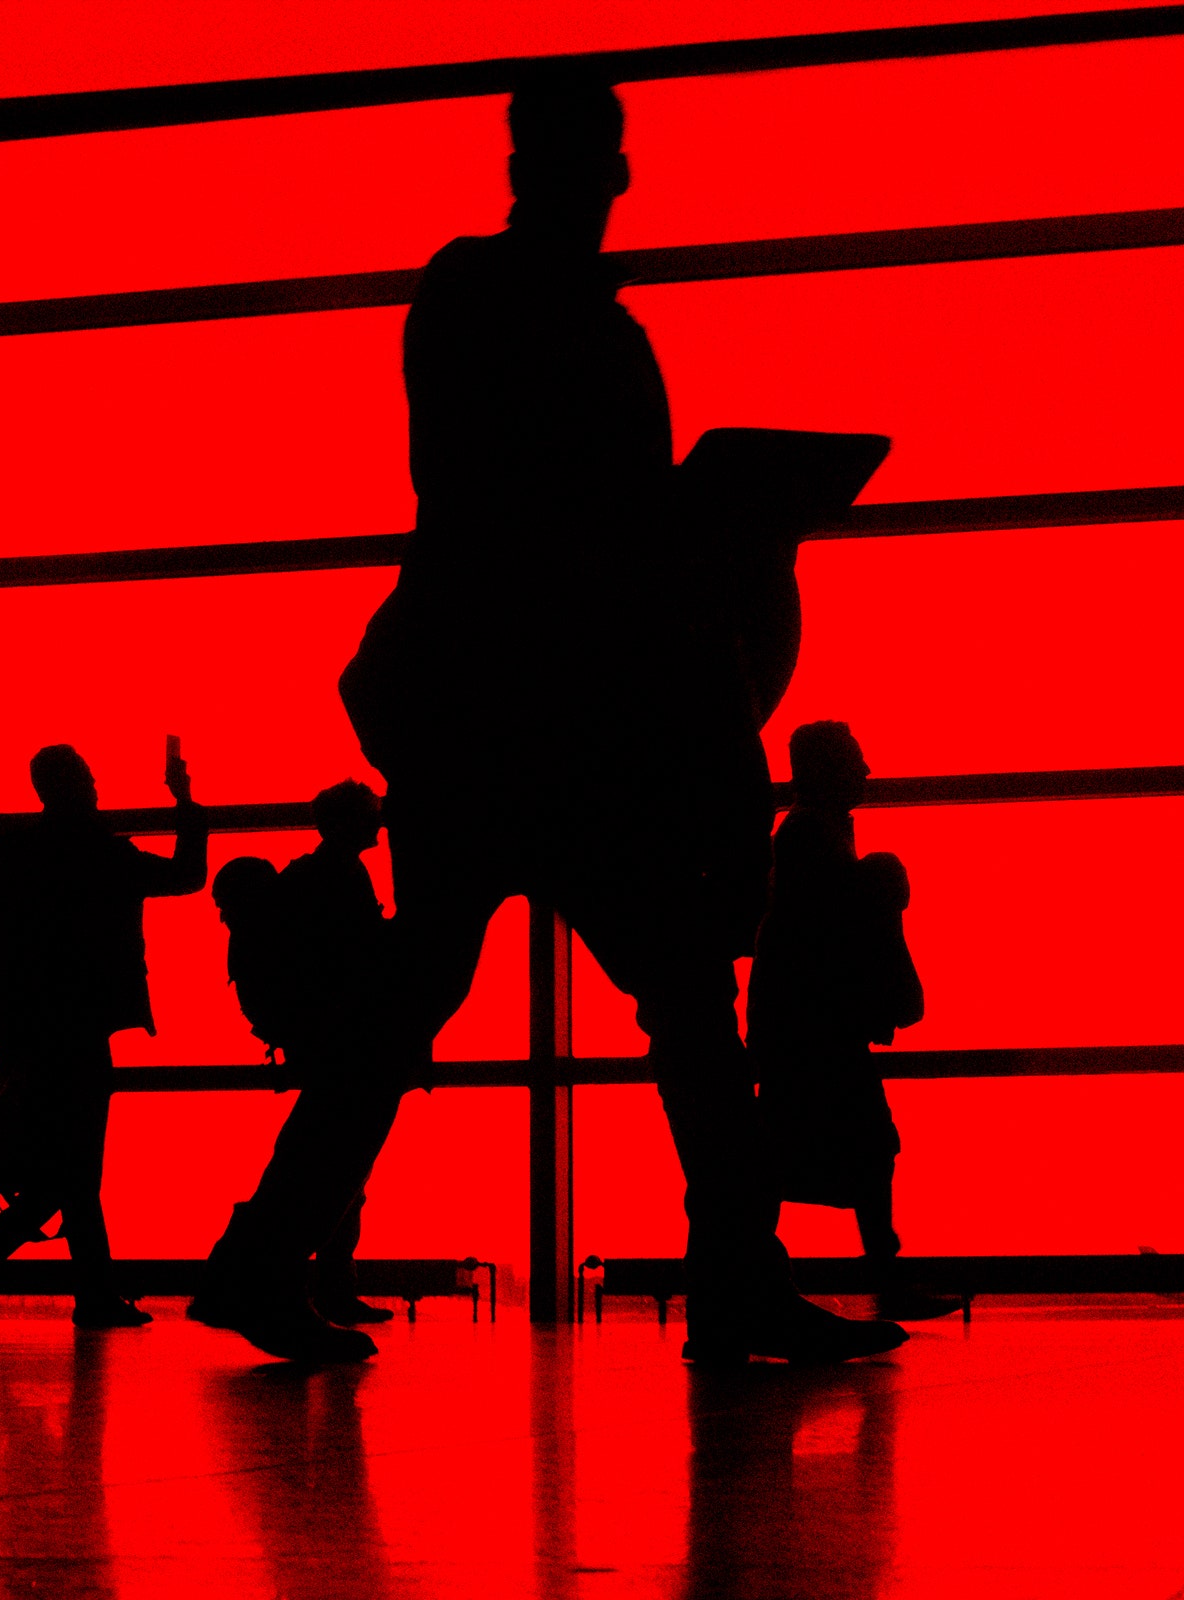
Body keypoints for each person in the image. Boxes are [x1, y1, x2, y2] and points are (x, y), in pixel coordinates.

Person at [337, 71, 901, 1362]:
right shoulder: (570, 320)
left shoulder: (474, 297)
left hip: (490, 701)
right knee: (686, 997)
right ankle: (739, 1278)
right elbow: (570, 514)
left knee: (431, 992)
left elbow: (489, 497)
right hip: (559, 712)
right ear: (602, 170)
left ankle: (266, 1248)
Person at [0, 742, 207, 1328]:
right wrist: (186, 804)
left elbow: (1, 950)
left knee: (66, 1173)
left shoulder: (9, 855)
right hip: (82, 1035)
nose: (96, 787)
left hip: (27, 1034)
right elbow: (187, 876)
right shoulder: (101, 855)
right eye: (89, 778)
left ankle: (55, 1283)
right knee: (75, 1170)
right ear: (77, 786)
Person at [196, 780, 408, 1362]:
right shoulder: (336, 878)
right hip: (348, 1044)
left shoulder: (311, 879)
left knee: (313, 1154)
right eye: (371, 815)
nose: (381, 825)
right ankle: (261, 1284)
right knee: (326, 1159)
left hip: (325, 1044)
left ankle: (245, 1282)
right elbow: (359, 962)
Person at [749, 723, 955, 1322]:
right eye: (855, 762)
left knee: (809, 1149)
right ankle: (872, 1278)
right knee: (859, 1145)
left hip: (801, 1028)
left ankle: (760, 1272)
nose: (866, 772)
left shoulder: (807, 836)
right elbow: (825, 938)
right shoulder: (814, 839)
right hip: (813, 1032)